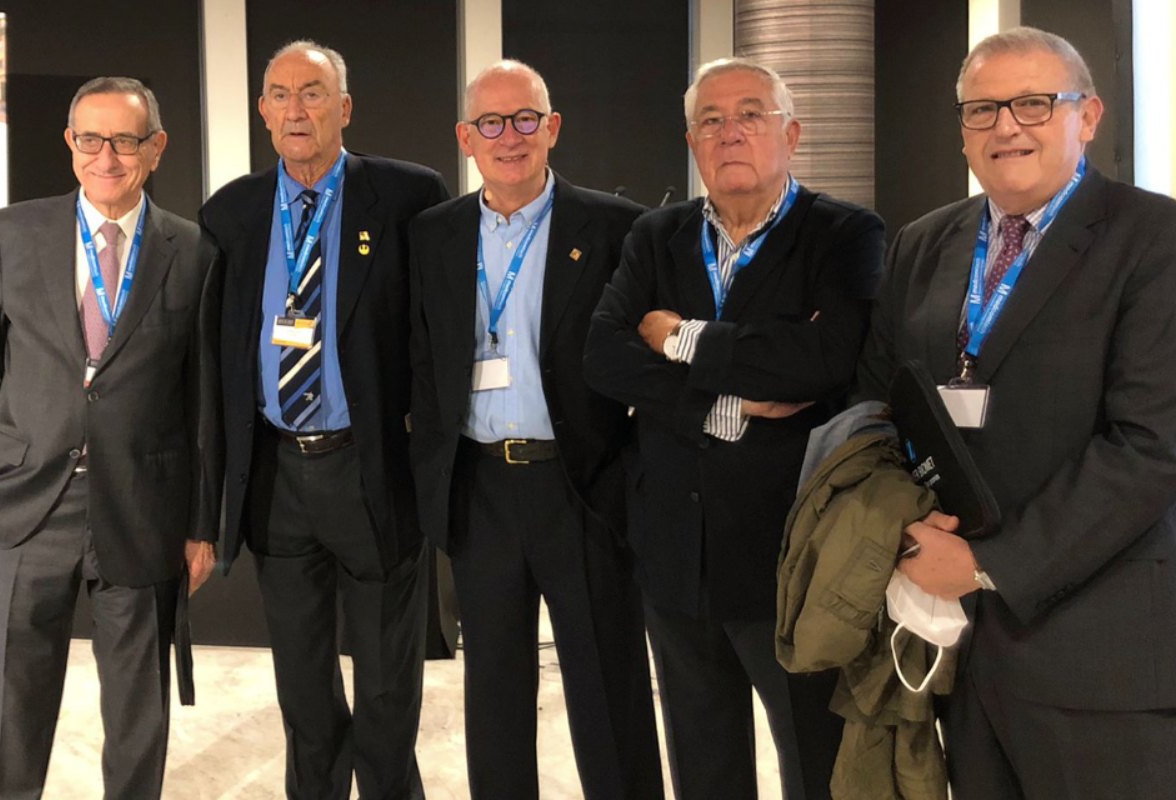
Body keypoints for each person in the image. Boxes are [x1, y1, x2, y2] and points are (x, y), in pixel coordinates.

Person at [855, 26, 1176, 799]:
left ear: (1088, 116)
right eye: (982, 109)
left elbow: (1150, 447)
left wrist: (989, 563)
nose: (1006, 127)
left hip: (1097, 655)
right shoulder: (923, 244)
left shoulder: (1155, 239)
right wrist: (900, 522)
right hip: (953, 643)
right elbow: (874, 398)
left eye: (1035, 103)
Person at [584, 57, 883, 800]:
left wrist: (682, 338)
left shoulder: (842, 234)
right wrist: (727, 400)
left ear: (791, 133)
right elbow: (603, 355)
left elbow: (823, 358)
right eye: (710, 121)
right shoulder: (657, 235)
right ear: (693, 143)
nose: (730, 133)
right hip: (674, 550)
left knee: (814, 755)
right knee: (702, 757)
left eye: (750, 114)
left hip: (792, 555)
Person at [407, 60, 663, 800]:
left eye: (525, 119)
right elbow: (422, 362)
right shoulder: (434, 235)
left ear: (552, 128)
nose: (508, 136)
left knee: (608, 690)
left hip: (580, 488)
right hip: (480, 487)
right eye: (491, 122)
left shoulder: (618, 227)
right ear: (466, 137)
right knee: (493, 696)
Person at [199, 40, 448, 799]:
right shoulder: (232, 212)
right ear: (264, 112)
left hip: (368, 468)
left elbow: (437, 331)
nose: (296, 110)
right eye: (280, 94)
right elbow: (216, 357)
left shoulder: (408, 196)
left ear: (344, 109)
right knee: (303, 689)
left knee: (384, 689)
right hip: (277, 473)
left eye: (313, 94)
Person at [0, 76, 219, 800]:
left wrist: (201, 524)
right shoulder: (14, 232)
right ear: (70, 143)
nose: (105, 156)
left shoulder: (194, 249)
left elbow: (202, 400)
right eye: (90, 138)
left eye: (124, 139)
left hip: (142, 510)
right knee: (7, 711)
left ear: (156, 148)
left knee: (137, 713)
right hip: (28, 507)